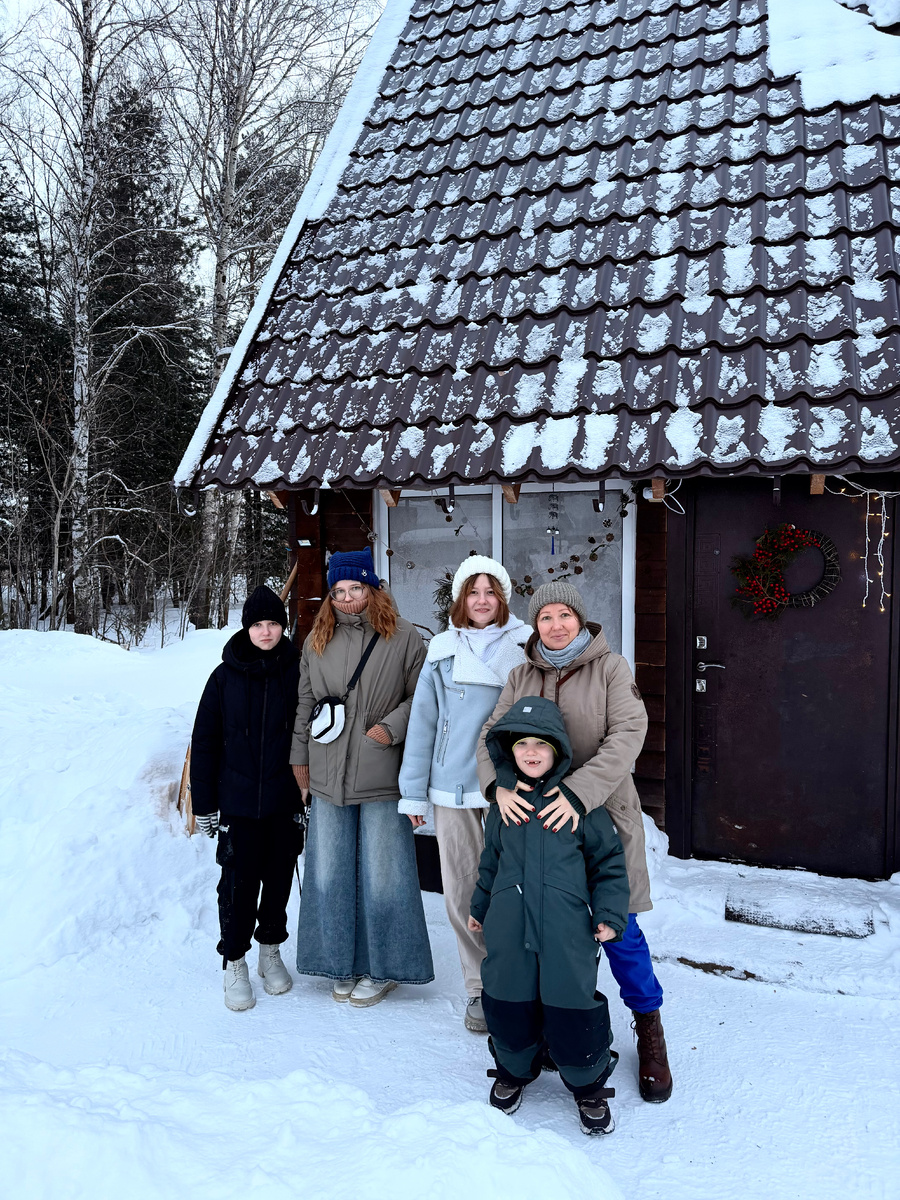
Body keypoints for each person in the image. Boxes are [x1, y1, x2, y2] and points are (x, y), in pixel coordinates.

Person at [477, 580, 673, 1103]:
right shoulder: (521, 675)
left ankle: (648, 1027)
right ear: (534, 624)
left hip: (600, 815)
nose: (556, 625)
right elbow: (490, 737)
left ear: (582, 621)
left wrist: (578, 792)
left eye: (565, 615)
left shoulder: (611, 669)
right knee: (537, 932)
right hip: (532, 830)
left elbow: (629, 734)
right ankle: (542, 1034)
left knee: (618, 927)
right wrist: (497, 785)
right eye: (545, 617)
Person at [469, 695, 629, 1135]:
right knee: (507, 997)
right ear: (508, 750)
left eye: (542, 744)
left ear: (558, 749)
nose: (532, 753)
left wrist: (610, 914)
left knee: (571, 1003)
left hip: (566, 930)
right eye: (522, 745)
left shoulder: (580, 805)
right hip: (510, 925)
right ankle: (514, 1068)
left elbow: (608, 865)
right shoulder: (502, 806)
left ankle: (587, 1081)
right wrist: (481, 906)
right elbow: (490, 860)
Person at [290, 549, 433, 1006]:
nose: (347, 598)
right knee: (329, 871)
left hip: (381, 772)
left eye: (355, 589)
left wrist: (389, 728)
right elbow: (305, 704)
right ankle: (336, 962)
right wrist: (300, 759)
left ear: (373, 589)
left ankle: (384, 967)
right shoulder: (318, 638)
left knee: (384, 874)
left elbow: (423, 699)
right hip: (328, 769)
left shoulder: (406, 637)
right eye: (338, 591)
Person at [399, 555, 530, 1033]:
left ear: (503, 597)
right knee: (460, 890)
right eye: (472, 592)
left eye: (489, 592)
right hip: (451, 787)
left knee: (508, 888)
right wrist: (413, 794)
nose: (481, 601)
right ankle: (477, 985)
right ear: (460, 600)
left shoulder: (525, 646)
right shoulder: (442, 650)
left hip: (508, 787)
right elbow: (423, 725)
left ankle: (514, 978)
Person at [190, 585, 304, 1011]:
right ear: (247, 627)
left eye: (274, 623)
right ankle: (234, 960)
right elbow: (204, 743)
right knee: (238, 886)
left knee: (277, 881)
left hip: (284, 799)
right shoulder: (223, 678)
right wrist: (204, 804)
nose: (267, 631)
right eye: (258, 624)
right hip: (237, 804)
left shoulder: (296, 671)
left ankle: (270, 952)